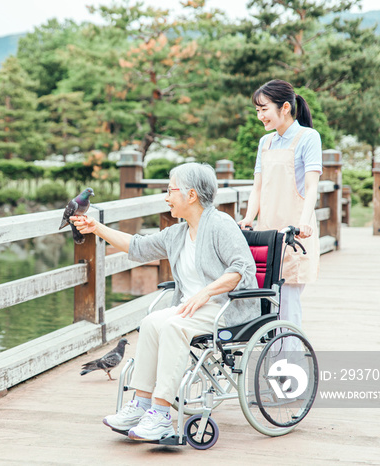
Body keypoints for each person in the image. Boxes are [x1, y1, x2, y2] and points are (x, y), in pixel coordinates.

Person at [71, 163, 258, 442]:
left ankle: (160, 416)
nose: (166, 197)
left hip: (226, 308)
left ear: (191, 195)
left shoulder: (221, 224)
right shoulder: (179, 233)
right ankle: (142, 405)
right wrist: (96, 227)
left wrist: (206, 292)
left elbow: (242, 268)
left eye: (170, 190)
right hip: (193, 309)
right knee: (150, 321)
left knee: (172, 325)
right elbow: (137, 246)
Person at [237, 79, 322, 348]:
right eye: (257, 111)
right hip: (268, 233)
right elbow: (258, 188)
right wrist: (248, 218)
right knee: (270, 304)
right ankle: (275, 360)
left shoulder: (308, 138)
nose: (260, 116)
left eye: (264, 109)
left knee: (289, 304)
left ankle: (290, 369)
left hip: (295, 232)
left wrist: (304, 222)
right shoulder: (265, 143)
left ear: (285, 107)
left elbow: (311, 187)